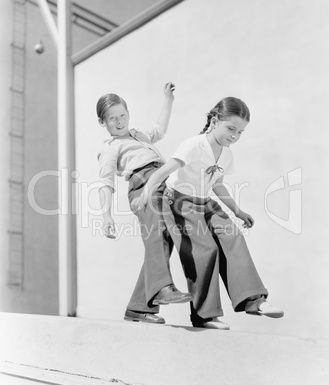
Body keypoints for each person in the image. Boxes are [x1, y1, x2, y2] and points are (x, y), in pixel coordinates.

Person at [132, 96, 284, 329]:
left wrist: (237, 210)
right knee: (205, 249)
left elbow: (217, 184)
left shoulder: (226, 153)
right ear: (214, 121)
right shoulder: (194, 145)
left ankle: (254, 299)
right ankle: (204, 315)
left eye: (240, 132)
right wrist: (146, 193)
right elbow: (164, 171)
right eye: (231, 128)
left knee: (233, 236)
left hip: (206, 202)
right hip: (180, 203)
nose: (235, 136)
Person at [97, 82, 192, 325]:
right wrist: (106, 216)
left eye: (122, 116)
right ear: (103, 123)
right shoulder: (111, 147)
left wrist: (168, 100)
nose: (119, 122)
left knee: (163, 242)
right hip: (142, 184)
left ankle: (138, 308)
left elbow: (159, 129)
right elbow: (106, 182)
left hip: (162, 181)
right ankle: (162, 288)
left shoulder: (139, 135)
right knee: (157, 235)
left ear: (128, 114)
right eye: (111, 119)